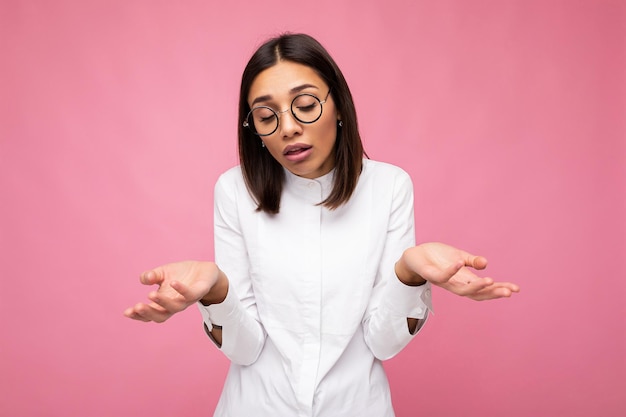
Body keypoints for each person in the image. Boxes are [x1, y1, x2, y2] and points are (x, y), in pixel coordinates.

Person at [124, 33, 520, 417]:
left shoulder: (389, 187)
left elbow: (382, 343)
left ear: (339, 106)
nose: (288, 128)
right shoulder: (234, 191)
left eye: (306, 105)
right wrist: (215, 288)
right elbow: (244, 350)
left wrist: (409, 273)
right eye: (266, 116)